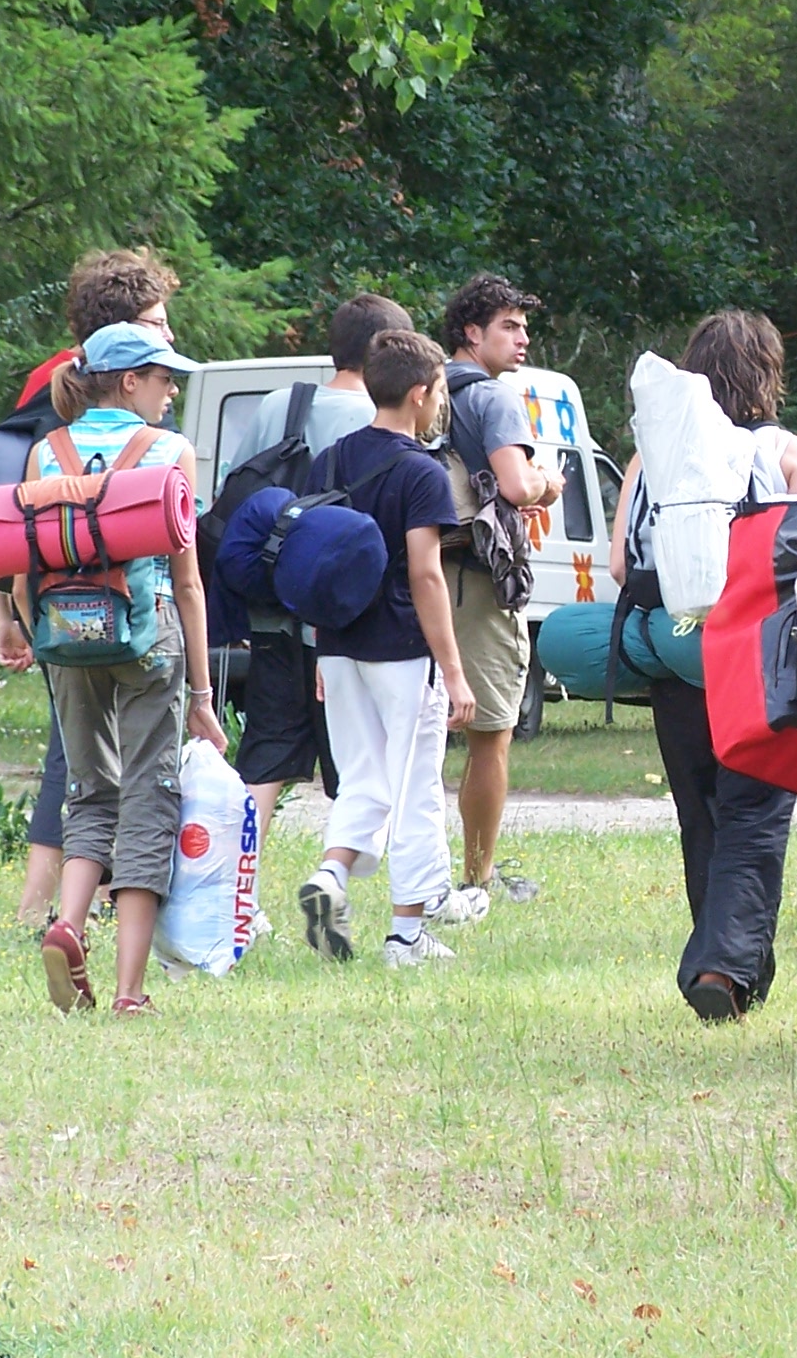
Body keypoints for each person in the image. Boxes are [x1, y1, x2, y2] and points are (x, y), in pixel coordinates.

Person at [611, 310, 797, 1021]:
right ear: (768, 373)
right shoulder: (791, 453)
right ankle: (722, 970)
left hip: (672, 649)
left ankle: (733, 967)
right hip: (754, 657)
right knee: (756, 813)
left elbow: (621, 565)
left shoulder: (649, 458)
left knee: (699, 813)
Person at [26, 324, 227, 1017]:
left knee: (89, 789)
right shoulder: (169, 451)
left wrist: (39, 640)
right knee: (150, 797)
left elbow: (26, 563)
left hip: (67, 636)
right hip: (149, 636)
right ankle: (128, 989)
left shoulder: (45, 451)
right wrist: (203, 693)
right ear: (129, 382)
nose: (172, 390)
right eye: (163, 377)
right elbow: (189, 579)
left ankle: (69, 923)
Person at [0, 247, 182, 926]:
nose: (169, 336)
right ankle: (51, 904)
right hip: (121, 607)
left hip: (56, 607)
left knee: (78, 757)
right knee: (92, 763)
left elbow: (12, 502)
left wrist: (11, 609)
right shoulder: (111, 405)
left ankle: (57, 904)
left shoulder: (56, 385)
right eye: (157, 323)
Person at [294, 329, 477, 968]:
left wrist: (321, 651)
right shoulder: (422, 473)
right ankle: (405, 936)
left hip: (340, 646)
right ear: (422, 394)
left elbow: (312, 560)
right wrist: (453, 672)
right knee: (415, 787)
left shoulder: (331, 461)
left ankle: (331, 876)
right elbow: (426, 574)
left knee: (364, 778)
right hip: (401, 649)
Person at [217, 294, 413, 837]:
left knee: (265, 758)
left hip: (272, 616)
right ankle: (351, 882)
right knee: (361, 767)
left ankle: (239, 892)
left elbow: (232, 499)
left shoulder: (280, 405)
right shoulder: (387, 423)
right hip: (350, 626)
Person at [438, 274, 564, 912]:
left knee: (418, 733)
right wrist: (549, 481)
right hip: (476, 587)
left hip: (413, 574)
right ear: (472, 332)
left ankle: (415, 874)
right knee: (490, 734)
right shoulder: (493, 398)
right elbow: (515, 487)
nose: (523, 337)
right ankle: (476, 879)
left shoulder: (418, 387)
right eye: (509, 326)